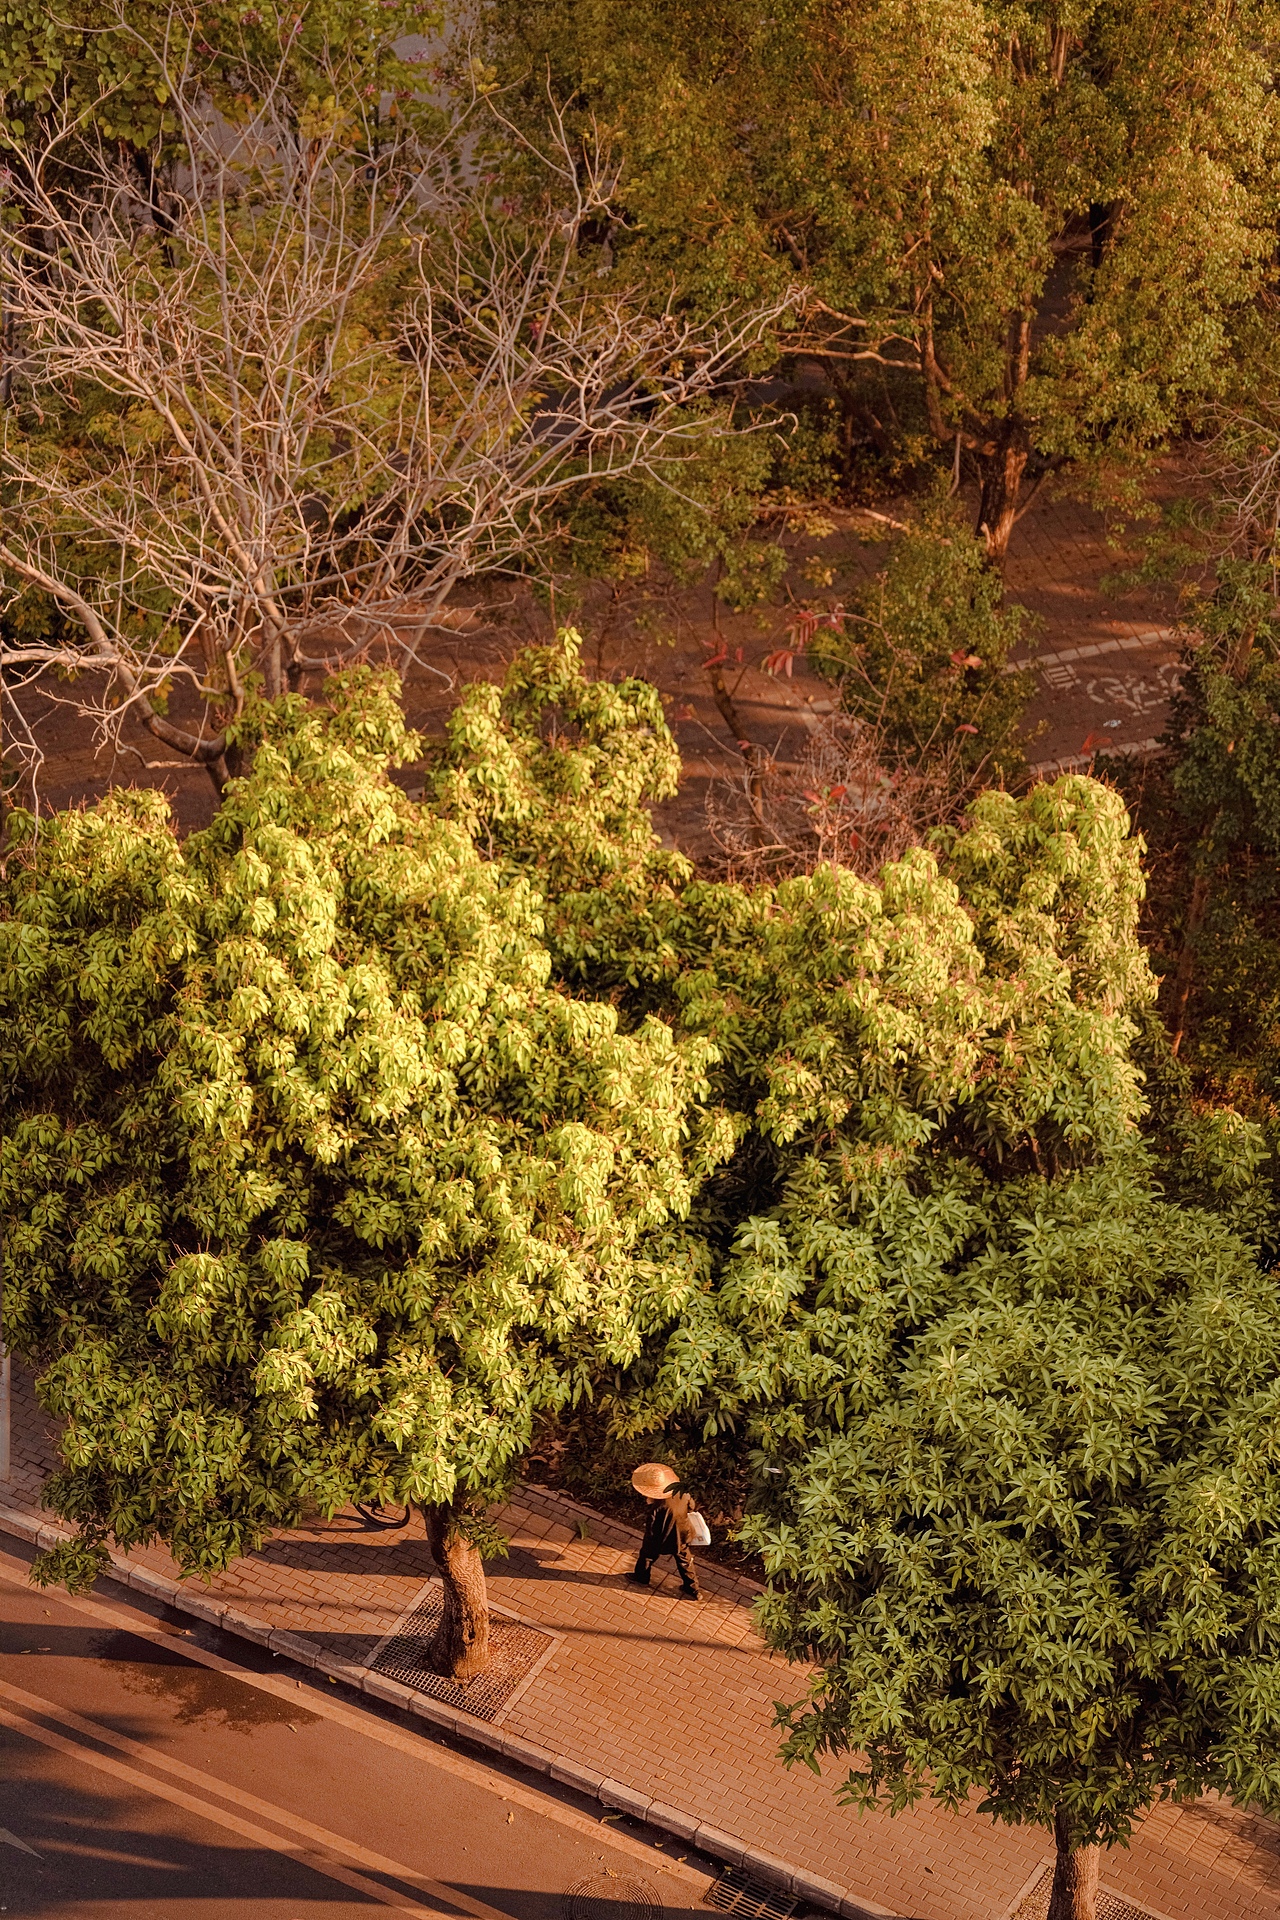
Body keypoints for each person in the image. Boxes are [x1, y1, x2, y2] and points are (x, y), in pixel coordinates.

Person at [627, 1462, 701, 1599]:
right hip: (682, 1535)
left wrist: (648, 1541)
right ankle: (693, 1590)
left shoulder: (655, 1507)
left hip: (661, 1538)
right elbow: (691, 1507)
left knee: (647, 1556)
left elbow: (652, 1529)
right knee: (685, 1560)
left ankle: (641, 1578)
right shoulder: (682, 1493)